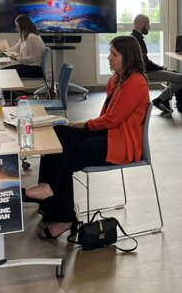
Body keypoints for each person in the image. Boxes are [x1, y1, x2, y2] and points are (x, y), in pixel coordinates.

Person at [24, 36, 150, 239]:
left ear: (128, 58)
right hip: (108, 135)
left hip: (120, 145)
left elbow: (112, 119)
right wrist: (84, 126)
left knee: (65, 154)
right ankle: (49, 198)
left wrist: (85, 125)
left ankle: (61, 213)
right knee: (59, 134)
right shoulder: (116, 79)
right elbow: (106, 118)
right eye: (109, 53)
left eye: (114, 55)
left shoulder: (136, 82)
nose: (109, 58)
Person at [131, 13, 182, 114]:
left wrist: (160, 68)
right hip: (144, 73)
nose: (149, 27)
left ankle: (165, 101)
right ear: (141, 23)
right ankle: (160, 100)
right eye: (148, 23)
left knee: (174, 73)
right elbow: (146, 64)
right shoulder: (138, 40)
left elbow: (145, 61)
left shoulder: (133, 38)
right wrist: (160, 67)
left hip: (142, 72)